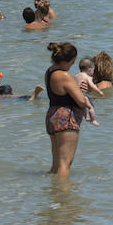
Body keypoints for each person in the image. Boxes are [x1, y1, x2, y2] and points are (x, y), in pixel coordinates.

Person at [45, 42, 94, 179]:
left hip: (52, 115)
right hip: (66, 118)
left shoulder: (49, 72)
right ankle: (64, 196)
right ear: (66, 61)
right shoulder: (64, 76)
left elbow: (61, 92)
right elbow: (81, 101)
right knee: (65, 164)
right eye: (72, 62)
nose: (72, 66)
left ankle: (53, 194)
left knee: (56, 164)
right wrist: (84, 92)